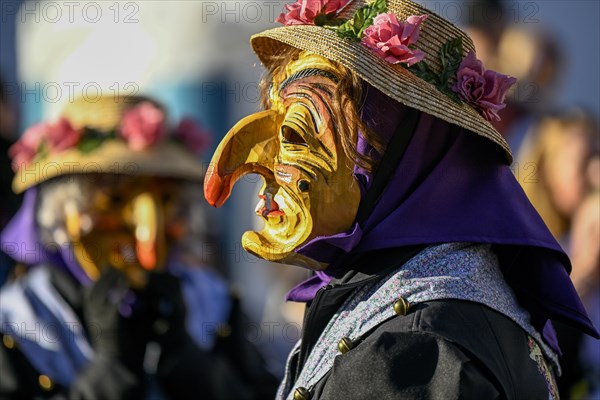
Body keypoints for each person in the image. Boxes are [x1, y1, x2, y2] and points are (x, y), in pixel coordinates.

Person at [203, 0, 599, 398]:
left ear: (395, 153)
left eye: (295, 134)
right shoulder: (465, 289)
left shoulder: (413, 352)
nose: (268, 167)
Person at [0, 95, 277, 399]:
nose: (148, 231)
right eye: (115, 201)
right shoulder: (16, 324)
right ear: (62, 213)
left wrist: (189, 364)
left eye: (166, 201)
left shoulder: (214, 302)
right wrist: (110, 373)